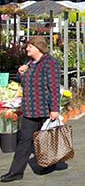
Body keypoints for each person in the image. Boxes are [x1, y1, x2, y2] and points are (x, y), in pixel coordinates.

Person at [1, 36, 60, 182]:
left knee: (45, 139)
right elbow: (26, 82)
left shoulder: (50, 63)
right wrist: (21, 73)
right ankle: (15, 172)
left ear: (38, 48)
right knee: (24, 140)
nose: (27, 49)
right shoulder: (29, 63)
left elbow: (53, 87)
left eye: (30, 47)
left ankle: (48, 164)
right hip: (30, 108)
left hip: (44, 108)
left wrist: (54, 108)